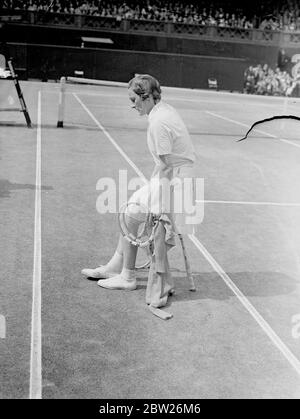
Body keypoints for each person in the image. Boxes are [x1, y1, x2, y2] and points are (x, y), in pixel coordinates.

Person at [81, 74, 198, 291]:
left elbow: (166, 166)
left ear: (146, 97)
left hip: (176, 180)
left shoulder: (159, 123)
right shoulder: (162, 111)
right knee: (131, 214)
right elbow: (165, 163)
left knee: (131, 214)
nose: (132, 106)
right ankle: (116, 266)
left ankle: (127, 276)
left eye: (133, 100)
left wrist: (161, 206)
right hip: (174, 175)